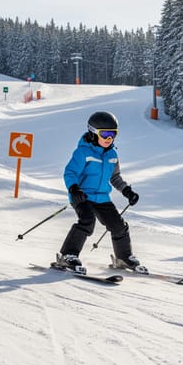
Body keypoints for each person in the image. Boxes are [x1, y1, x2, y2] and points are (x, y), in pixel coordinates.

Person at [57, 111, 143, 274]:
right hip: (81, 196)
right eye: (105, 134)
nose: (109, 138)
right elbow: (70, 172)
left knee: (118, 225)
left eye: (113, 134)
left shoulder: (112, 154)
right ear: (93, 132)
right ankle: (68, 255)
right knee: (87, 221)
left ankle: (123, 257)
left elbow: (115, 177)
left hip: (102, 197)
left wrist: (127, 191)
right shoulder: (83, 152)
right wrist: (74, 188)